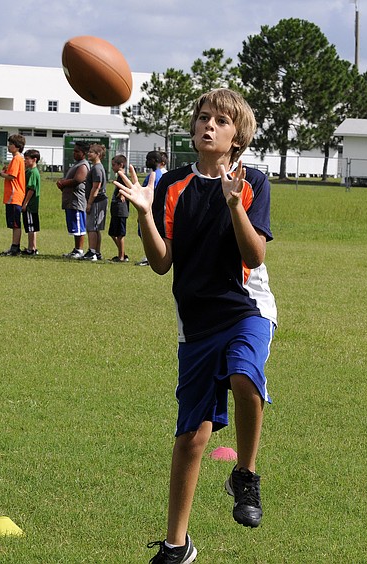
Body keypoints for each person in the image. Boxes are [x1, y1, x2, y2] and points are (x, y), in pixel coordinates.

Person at [116, 88, 277, 564]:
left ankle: (245, 476)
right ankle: (176, 546)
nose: (209, 125)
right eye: (203, 118)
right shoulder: (172, 186)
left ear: (237, 137)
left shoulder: (253, 183)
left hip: (246, 309)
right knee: (192, 436)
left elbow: (254, 255)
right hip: (197, 323)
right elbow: (163, 263)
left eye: (220, 121)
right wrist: (146, 214)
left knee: (245, 375)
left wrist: (234, 205)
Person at [56, 141, 90, 259]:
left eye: (77, 151)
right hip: (70, 201)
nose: (74, 153)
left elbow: (78, 179)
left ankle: (80, 250)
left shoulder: (83, 165)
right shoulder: (77, 164)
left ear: (84, 153)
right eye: (74, 150)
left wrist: (63, 182)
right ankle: (76, 249)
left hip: (77, 201)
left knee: (79, 227)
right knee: (74, 227)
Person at [136, 150, 168, 266]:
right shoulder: (153, 175)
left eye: (149, 159)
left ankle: (151, 257)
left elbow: (156, 196)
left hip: (152, 212)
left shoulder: (156, 176)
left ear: (156, 161)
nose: (146, 162)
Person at [0, 134, 26, 256]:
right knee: (13, 223)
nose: (8, 146)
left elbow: (12, 176)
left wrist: (2, 174)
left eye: (10, 144)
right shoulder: (18, 159)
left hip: (14, 195)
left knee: (15, 223)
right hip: (13, 196)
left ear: (17, 146)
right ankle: (14, 246)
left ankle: (15, 248)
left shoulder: (16, 159)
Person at [82, 143, 108, 261]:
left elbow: (96, 187)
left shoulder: (97, 168)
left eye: (91, 152)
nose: (89, 153)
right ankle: (97, 252)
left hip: (97, 201)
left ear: (98, 154)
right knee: (95, 227)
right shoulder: (95, 167)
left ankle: (92, 252)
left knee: (92, 227)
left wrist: (89, 203)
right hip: (96, 201)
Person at [108, 154, 130, 262]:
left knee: (120, 234)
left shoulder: (123, 176)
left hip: (121, 209)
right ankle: (122, 253)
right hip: (116, 208)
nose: (112, 167)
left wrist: (123, 193)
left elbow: (129, 187)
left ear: (121, 165)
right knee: (112, 233)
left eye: (114, 165)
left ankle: (121, 257)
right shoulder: (119, 176)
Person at [21, 149, 41, 256]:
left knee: (31, 227)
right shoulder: (29, 171)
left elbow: (31, 189)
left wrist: (25, 203)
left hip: (30, 205)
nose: (25, 161)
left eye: (27, 159)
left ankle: (31, 248)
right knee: (31, 226)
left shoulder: (33, 172)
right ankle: (32, 247)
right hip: (31, 205)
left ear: (34, 160)